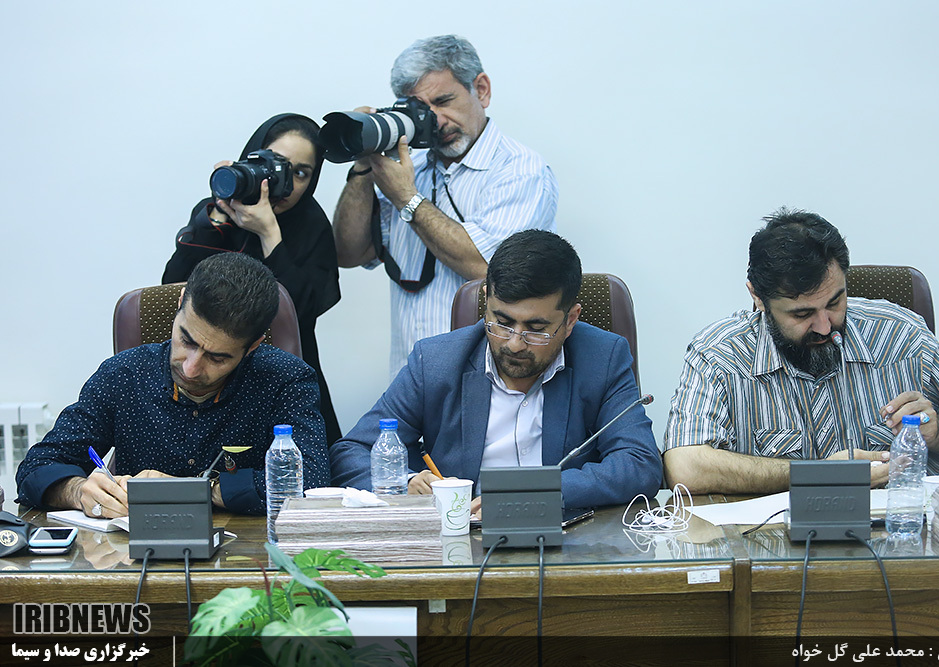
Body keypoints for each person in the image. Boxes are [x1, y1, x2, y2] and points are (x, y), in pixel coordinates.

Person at [663, 208, 939, 494]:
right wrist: (819, 475)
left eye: (834, 302)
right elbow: (685, 466)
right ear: (758, 298)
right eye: (802, 314)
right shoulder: (718, 355)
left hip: (901, 530)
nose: (824, 326)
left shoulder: (901, 333)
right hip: (775, 539)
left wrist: (938, 431)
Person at [330, 230, 661, 509]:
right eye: (501, 322)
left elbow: (639, 463)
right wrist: (405, 482)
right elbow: (352, 453)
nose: (514, 343)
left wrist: (535, 492)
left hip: (567, 538)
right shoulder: (435, 361)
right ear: (487, 300)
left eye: (536, 329)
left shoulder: (602, 357)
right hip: (463, 537)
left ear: (570, 319)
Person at [17, 253, 330, 517]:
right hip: (134, 556)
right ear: (181, 304)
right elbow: (36, 467)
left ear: (253, 346)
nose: (191, 368)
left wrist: (197, 489)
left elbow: (312, 482)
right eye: (187, 340)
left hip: (248, 555)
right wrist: (77, 490)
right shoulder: (123, 375)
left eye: (217, 358)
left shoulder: (286, 380)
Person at [332, 35, 559, 375]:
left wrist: (408, 199)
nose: (435, 120)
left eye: (443, 101)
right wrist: (364, 164)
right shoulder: (407, 170)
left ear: (481, 90)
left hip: (489, 383)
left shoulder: (521, 170)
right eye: (421, 109)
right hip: (411, 380)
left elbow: (489, 267)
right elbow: (349, 253)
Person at [163, 113, 343, 441]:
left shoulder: (311, 224)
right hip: (206, 377)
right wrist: (216, 219)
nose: (285, 181)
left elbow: (299, 314)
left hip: (285, 380)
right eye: (276, 164)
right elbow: (173, 289)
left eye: (300, 173)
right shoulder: (217, 210)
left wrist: (269, 232)